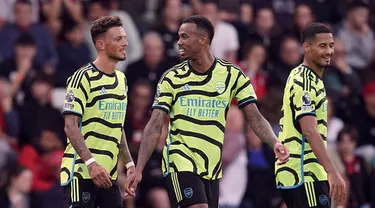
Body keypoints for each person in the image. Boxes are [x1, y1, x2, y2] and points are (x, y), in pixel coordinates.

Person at [124, 15, 290, 208]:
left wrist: (274, 141)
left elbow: (255, 117)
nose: (179, 42)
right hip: (180, 161)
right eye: (179, 36)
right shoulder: (172, 78)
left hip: (211, 167)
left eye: (185, 37)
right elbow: (154, 124)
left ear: (203, 40)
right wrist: (139, 168)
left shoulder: (232, 75)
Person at [60, 16, 134, 208]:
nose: (125, 43)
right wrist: (91, 164)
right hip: (82, 172)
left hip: (108, 175)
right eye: (118, 39)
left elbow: (118, 127)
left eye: (124, 38)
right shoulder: (82, 78)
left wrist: (129, 164)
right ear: (101, 44)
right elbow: (70, 126)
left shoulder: (122, 80)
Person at [275, 22, 347, 208]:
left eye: (331, 46)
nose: (329, 51)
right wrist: (332, 170)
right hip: (304, 171)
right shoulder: (304, 81)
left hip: (308, 171)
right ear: (306, 47)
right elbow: (309, 130)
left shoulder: (312, 79)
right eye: (322, 46)